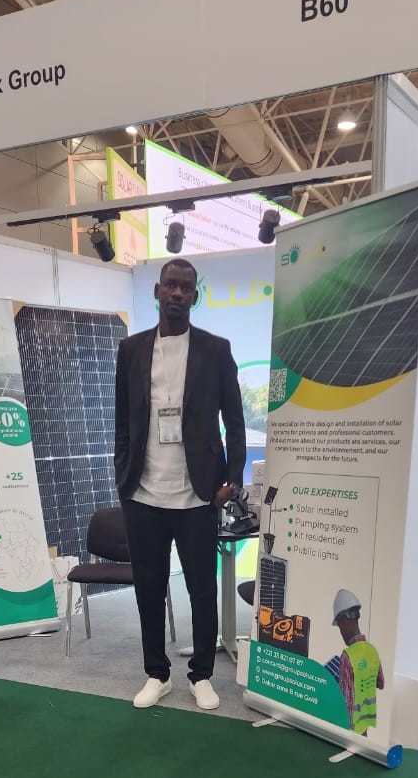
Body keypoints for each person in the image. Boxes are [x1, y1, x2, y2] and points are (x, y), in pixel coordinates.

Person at [114, 258, 246, 711]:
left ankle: (201, 675)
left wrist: (234, 478)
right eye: (170, 285)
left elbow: (235, 420)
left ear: (194, 296)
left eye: (185, 287)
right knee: (148, 590)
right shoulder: (131, 349)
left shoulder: (215, 349)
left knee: (202, 591)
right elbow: (122, 422)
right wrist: (122, 478)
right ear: (157, 291)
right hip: (143, 495)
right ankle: (157, 674)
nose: (176, 293)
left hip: (196, 496)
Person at [333, 589, 385, 735]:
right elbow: (380, 683)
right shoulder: (372, 651)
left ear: (345, 621)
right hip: (365, 725)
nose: (341, 632)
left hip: (351, 730)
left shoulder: (348, 656)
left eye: (340, 627)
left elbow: (347, 707)